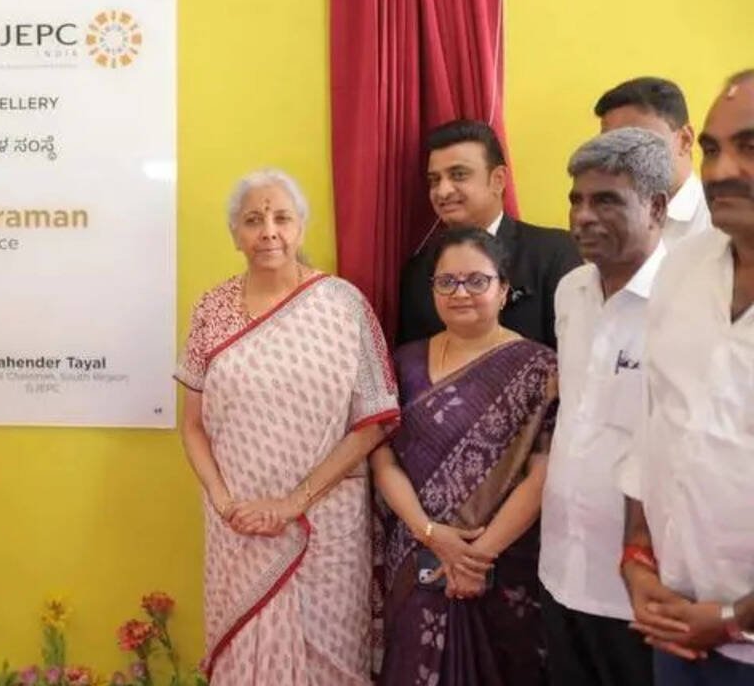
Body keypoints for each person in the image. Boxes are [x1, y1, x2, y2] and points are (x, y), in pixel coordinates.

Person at [176, 169, 399, 685]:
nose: (269, 231)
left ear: (300, 227)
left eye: (281, 217)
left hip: (325, 523)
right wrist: (224, 503)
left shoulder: (343, 305)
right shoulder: (212, 309)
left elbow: (374, 422)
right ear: (235, 234)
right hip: (239, 524)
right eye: (253, 220)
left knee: (330, 663)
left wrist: (294, 501)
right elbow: (192, 426)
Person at [618, 70, 754, 685]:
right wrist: (637, 558)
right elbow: (656, 427)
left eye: (750, 147)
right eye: (713, 149)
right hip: (675, 626)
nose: (720, 171)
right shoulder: (682, 267)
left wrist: (733, 619)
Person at [376, 227, 556, 685]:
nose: (460, 293)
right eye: (447, 282)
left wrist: (477, 556)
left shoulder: (540, 368)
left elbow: (542, 473)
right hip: (415, 556)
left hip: (503, 564)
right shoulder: (403, 363)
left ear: (504, 289)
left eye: (477, 281)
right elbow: (382, 459)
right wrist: (429, 532)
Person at [539, 127, 672, 686]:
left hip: (644, 590)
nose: (583, 217)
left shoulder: (689, 302)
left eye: (606, 201)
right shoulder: (570, 291)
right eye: (576, 200)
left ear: (656, 207)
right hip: (561, 567)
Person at [398, 119, 582, 348]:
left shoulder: (553, 253)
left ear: (498, 180)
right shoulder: (419, 270)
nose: (443, 191)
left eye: (458, 175)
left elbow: (576, 353)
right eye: (434, 180)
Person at [595, 76, 712, 246]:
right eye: (610, 144)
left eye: (638, 141)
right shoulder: (602, 221)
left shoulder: (721, 225)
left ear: (685, 140)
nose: (620, 156)